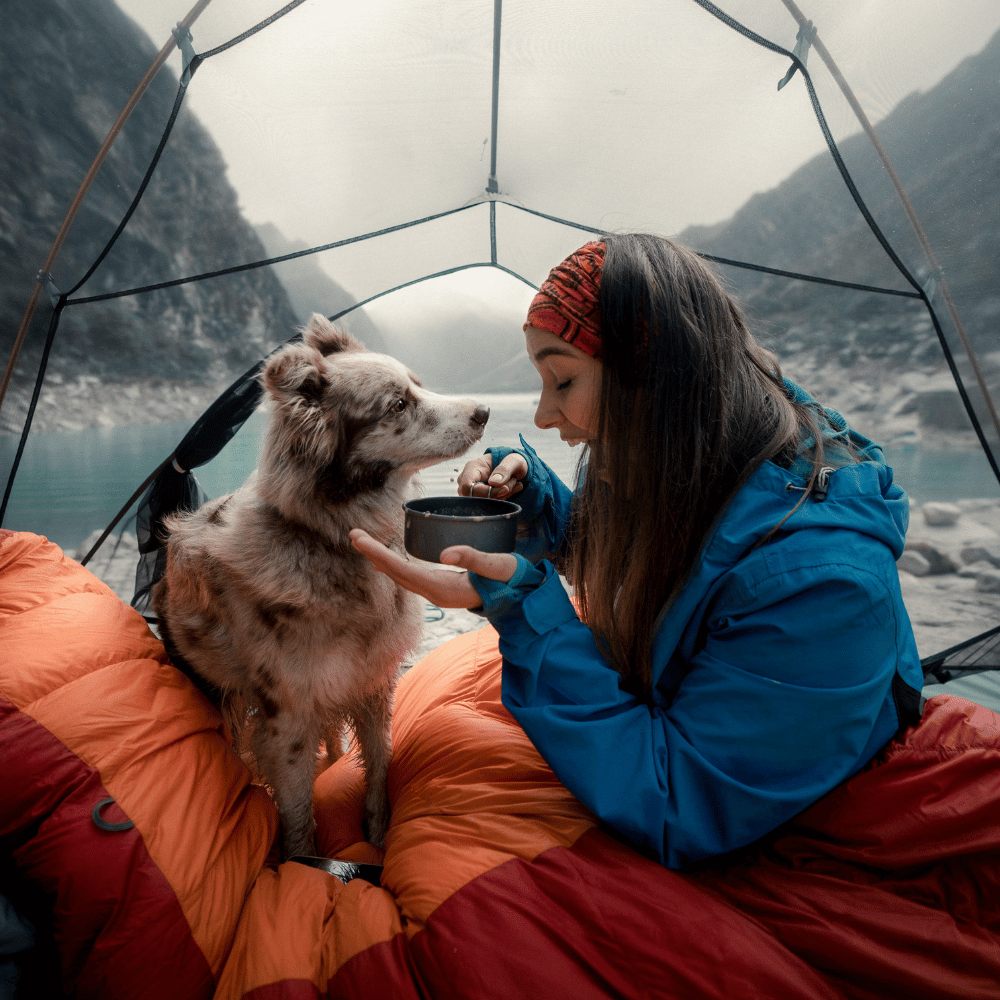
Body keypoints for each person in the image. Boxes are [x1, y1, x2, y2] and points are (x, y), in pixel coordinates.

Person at [350, 233, 925, 870]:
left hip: (744, 815)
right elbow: (656, 562)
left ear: (651, 375)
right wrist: (537, 501)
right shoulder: (681, 447)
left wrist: (521, 610)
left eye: (562, 379)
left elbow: (679, 804)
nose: (543, 415)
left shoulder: (819, 585)